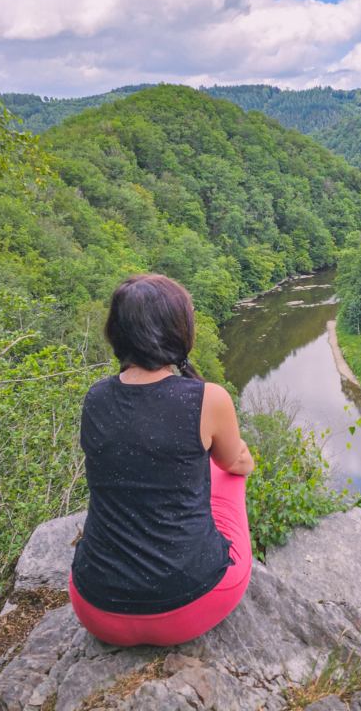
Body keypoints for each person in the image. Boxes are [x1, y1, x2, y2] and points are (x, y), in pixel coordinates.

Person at [69, 274, 255, 647]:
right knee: (228, 474)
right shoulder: (208, 397)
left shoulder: (96, 397)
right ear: (178, 330)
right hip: (193, 604)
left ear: (116, 333)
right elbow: (239, 465)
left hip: (96, 609)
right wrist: (241, 457)